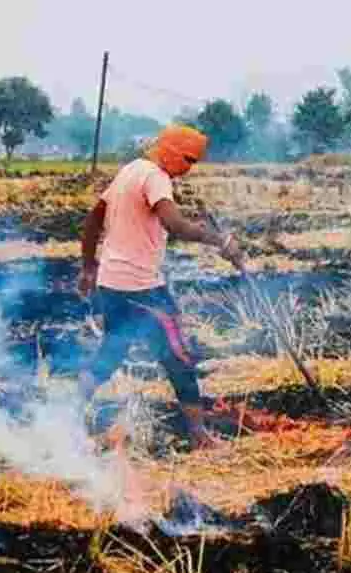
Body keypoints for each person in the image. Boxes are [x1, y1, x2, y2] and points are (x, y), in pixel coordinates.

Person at [77, 125, 246, 447]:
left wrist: (89, 266)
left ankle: (64, 415)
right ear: (170, 151)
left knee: (112, 352)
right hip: (141, 287)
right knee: (179, 357)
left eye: (194, 162)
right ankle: (199, 436)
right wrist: (219, 240)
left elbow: (93, 218)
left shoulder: (130, 170)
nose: (189, 168)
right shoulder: (156, 176)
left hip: (111, 284)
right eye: (187, 159)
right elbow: (174, 224)